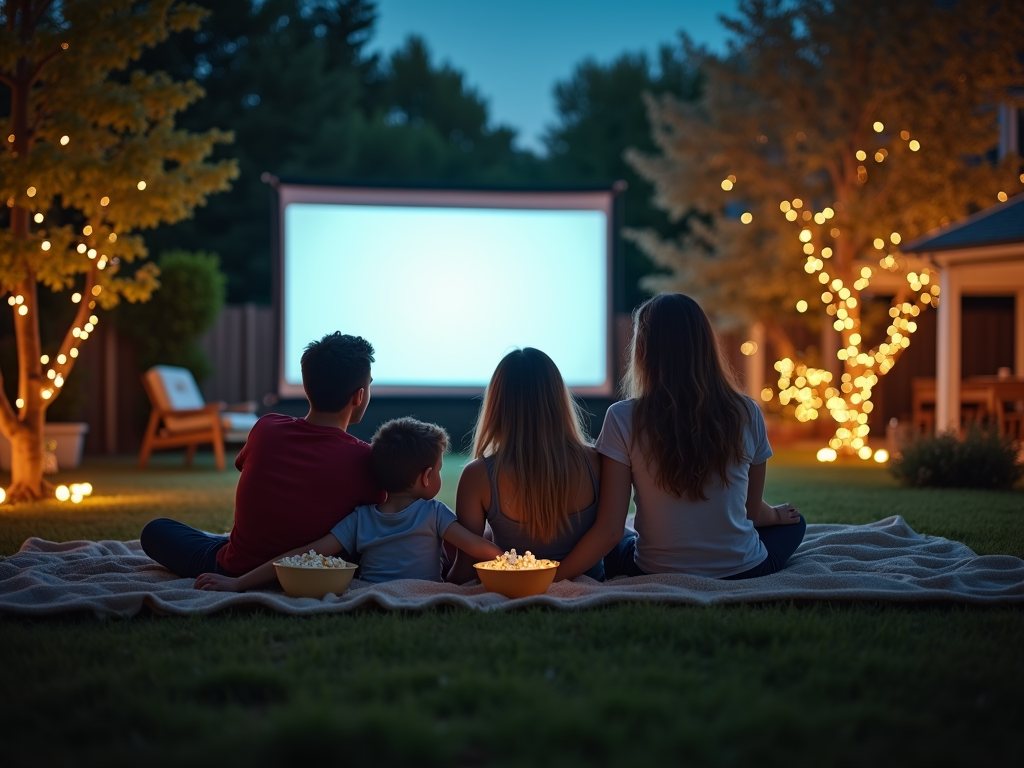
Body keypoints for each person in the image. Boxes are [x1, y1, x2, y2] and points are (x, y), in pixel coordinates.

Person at [556, 293, 805, 581]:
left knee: (614, 536)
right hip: (744, 570)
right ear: (705, 345)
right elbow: (751, 511)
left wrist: (554, 576)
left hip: (652, 570)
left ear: (644, 350)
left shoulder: (622, 417)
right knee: (794, 523)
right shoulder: (746, 412)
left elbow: (609, 530)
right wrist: (774, 515)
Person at [141, 332, 384, 578]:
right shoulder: (363, 458)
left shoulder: (266, 427)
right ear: (359, 396)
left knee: (156, 530)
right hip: (306, 571)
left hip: (233, 567)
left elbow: (248, 469)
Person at [195, 417, 501, 590]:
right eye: (438, 469)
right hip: (424, 591)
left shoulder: (359, 520)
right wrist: (513, 560)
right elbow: (477, 548)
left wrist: (239, 584)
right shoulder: (434, 514)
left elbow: (303, 555)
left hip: (368, 590)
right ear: (425, 478)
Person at [448, 347, 609, 583]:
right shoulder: (598, 462)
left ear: (497, 405)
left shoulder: (478, 476)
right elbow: (609, 533)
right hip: (592, 582)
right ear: (559, 399)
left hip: (516, 582)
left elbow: (465, 569)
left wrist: (441, 580)